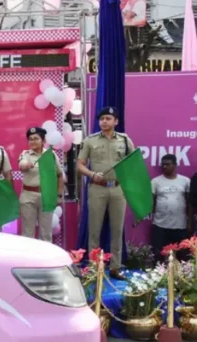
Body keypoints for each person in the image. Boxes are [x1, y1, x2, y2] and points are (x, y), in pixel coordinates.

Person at [77, 107, 135, 280]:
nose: (104, 121)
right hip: (97, 189)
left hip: (118, 189)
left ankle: (116, 267)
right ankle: (95, 268)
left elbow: (134, 163)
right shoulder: (90, 141)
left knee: (117, 229)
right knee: (94, 229)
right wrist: (92, 174)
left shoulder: (124, 140)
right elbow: (79, 165)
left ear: (115, 121)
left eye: (108, 118)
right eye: (102, 118)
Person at [18, 127, 64, 242]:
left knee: (45, 232)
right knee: (27, 233)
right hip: (28, 196)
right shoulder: (25, 154)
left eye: (36, 139)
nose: (33, 141)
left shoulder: (51, 155)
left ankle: (45, 259)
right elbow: (21, 165)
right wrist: (26, 165)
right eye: (30, 139)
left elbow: (59, 175)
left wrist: (59, 195)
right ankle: (27, 259)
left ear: (43, 141)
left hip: (46, 196)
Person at [151, 154, 190, 259]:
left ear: (175, 165)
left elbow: (189, 202)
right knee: (158, 255)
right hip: (160, 225)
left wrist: (190, 221)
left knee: (183, 256)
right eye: (162, 165)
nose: (164, 167)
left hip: (180, 225)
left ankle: (182, 275)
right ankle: (158, 274)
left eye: (167, 164)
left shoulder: (185, 181)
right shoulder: (155, 181)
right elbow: (152, 202)